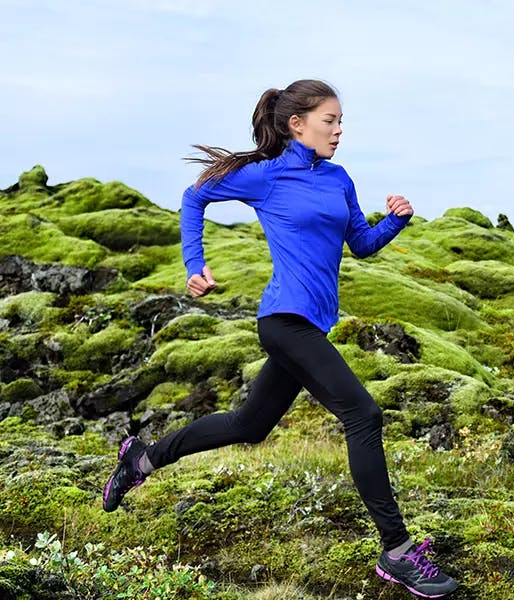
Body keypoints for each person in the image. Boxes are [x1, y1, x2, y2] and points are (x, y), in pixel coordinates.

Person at [102, 79, 458, 598]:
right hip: (283, 321)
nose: (338, 130)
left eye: (340, 121)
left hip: (312, 325)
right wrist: (194, 265)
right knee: (363, 414)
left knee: (249, 425)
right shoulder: (267, 176)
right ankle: (398, 550)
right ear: (298, 124)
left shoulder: (338, 179)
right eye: (329, 120)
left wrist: (395, 222)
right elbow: (193, 197)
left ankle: (143, 459)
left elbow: (359, 244)